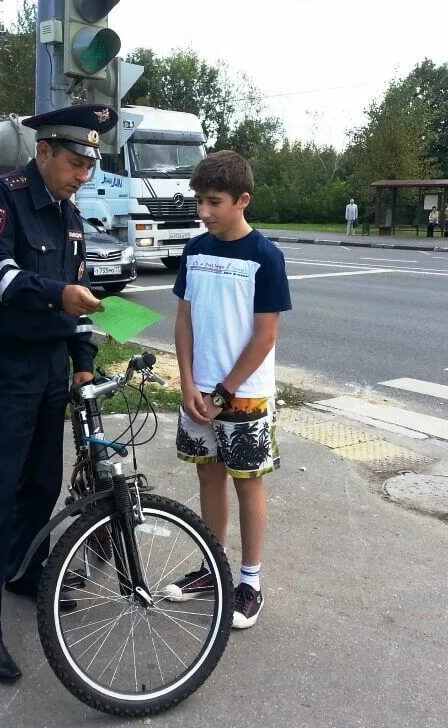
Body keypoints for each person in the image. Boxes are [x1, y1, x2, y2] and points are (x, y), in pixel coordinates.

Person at [0, 103, 117, 684]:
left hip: (51, 366)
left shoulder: (70, 216)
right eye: (75, 163)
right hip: (6, 363)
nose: (83, 175)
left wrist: (82, 365)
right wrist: (56, 294)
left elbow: (81, 298)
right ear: (44, 151)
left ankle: (23, 571)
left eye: (89, 166)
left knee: (43, 482)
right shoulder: (1, 198)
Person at [164, 150, 292, 630]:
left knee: (247, 482)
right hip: (199, 392)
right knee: (208, 477)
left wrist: (224, 392)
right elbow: (183, 321)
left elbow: (265, 336)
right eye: (199, 201)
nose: (203, 212)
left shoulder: (265, 257)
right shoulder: (196, 251)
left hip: (245, 395)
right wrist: (187, 382)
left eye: (213, 202)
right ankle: (211, 566)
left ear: (243, 201)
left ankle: (250, 582)